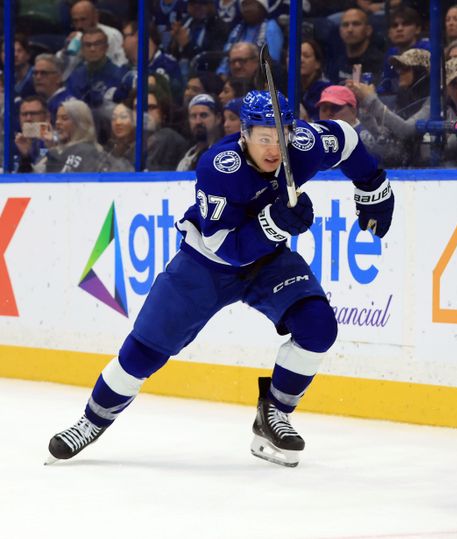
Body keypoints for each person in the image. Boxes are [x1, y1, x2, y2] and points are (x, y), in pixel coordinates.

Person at [46, 89, 395, 467]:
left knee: (319, 327)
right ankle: (91, 421)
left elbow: (345, 138)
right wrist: (276, 224)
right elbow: (228, 248)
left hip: (268, 263)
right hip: (206, 266)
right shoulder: (219, 167)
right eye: (263, 138)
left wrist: (373, 183)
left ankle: (274, 413)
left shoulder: (304, 145)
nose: (274, 148)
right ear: (244, 133)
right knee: (144, 350)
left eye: (281, 137)